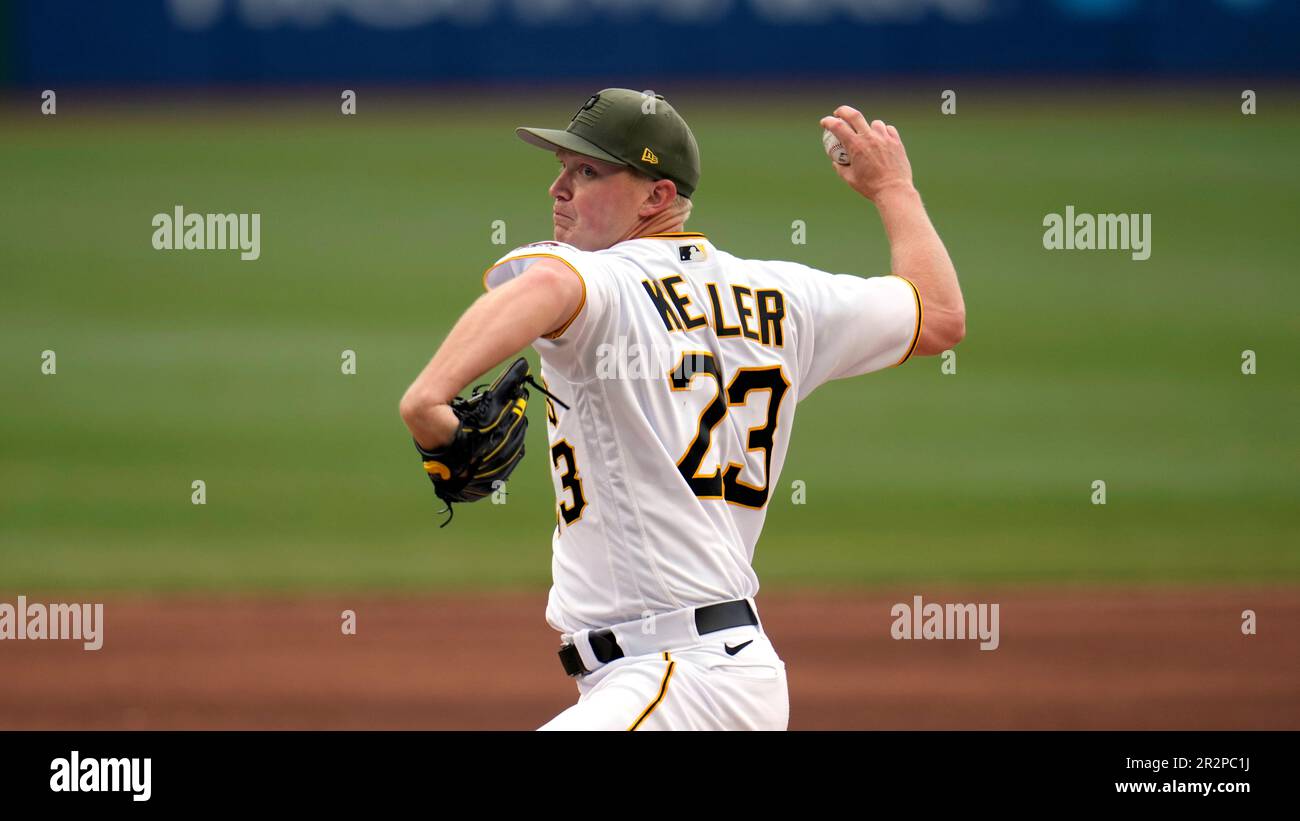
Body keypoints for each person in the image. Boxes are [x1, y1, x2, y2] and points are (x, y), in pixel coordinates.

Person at [399, 88, 966, 730]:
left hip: (677, 675)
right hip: (701, 675)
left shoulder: (599, 278)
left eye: (588, 171)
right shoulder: (788, 295)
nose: (560, 189)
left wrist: (427, 400)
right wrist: (894, 190)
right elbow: (939, 316)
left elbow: (550, 284)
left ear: (657, 197)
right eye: (561, 167)